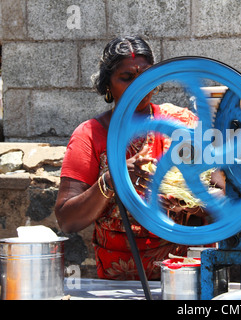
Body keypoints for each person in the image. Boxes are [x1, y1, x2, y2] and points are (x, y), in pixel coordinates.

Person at [55, 36, 218, 280]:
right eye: (127, 77)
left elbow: (223, 196)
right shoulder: (90, 135)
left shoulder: (182, 124)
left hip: (183, 276)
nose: (139, 85)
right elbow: (67, 220)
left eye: (146, 76)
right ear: (107, 84)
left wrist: (186, 202)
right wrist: (113, 180)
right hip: (119, 282)